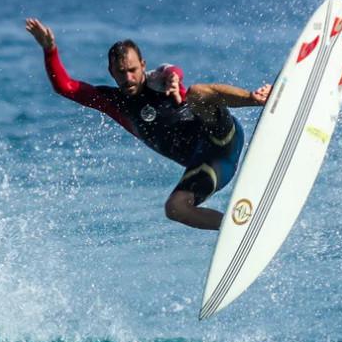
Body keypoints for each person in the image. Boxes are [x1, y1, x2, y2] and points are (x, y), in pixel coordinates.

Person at [25, 18, 271, 230]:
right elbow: (65, 87)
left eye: (133, 69)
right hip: (208, 165)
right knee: (175, 208)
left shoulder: (161, 81)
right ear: (111, 71)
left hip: (222, 137)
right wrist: (50, 49)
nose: (128, 77)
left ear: (143, 65)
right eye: (121, 72)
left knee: (197, 92)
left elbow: (173, 71)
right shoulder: (112, 101)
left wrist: (175, 78)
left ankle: (257, 98)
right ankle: (237, 229)